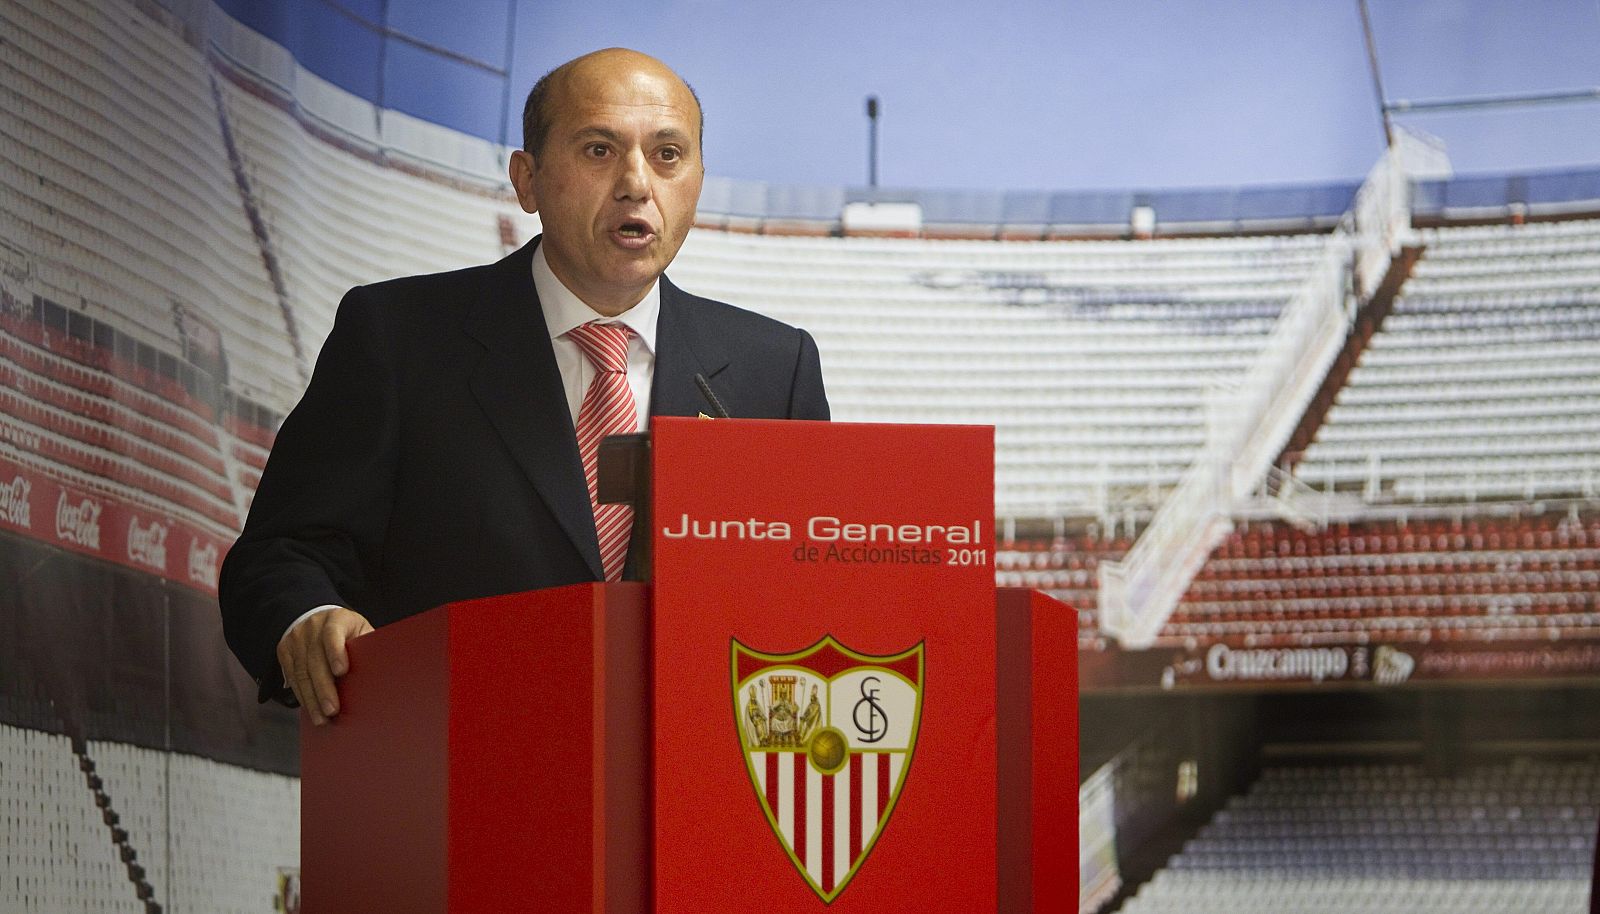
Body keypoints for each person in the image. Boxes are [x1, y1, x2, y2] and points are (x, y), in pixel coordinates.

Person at [218, 48, 829, 724]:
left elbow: (809, 598)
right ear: (527, 180)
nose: (635, 183)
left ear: (697, 180)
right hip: (456, 771)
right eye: (599, 150)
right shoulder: (398, 339)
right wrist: (312, 618)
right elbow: (279, 554)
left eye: (667, 155)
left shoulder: (776, 370)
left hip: (692, 780)